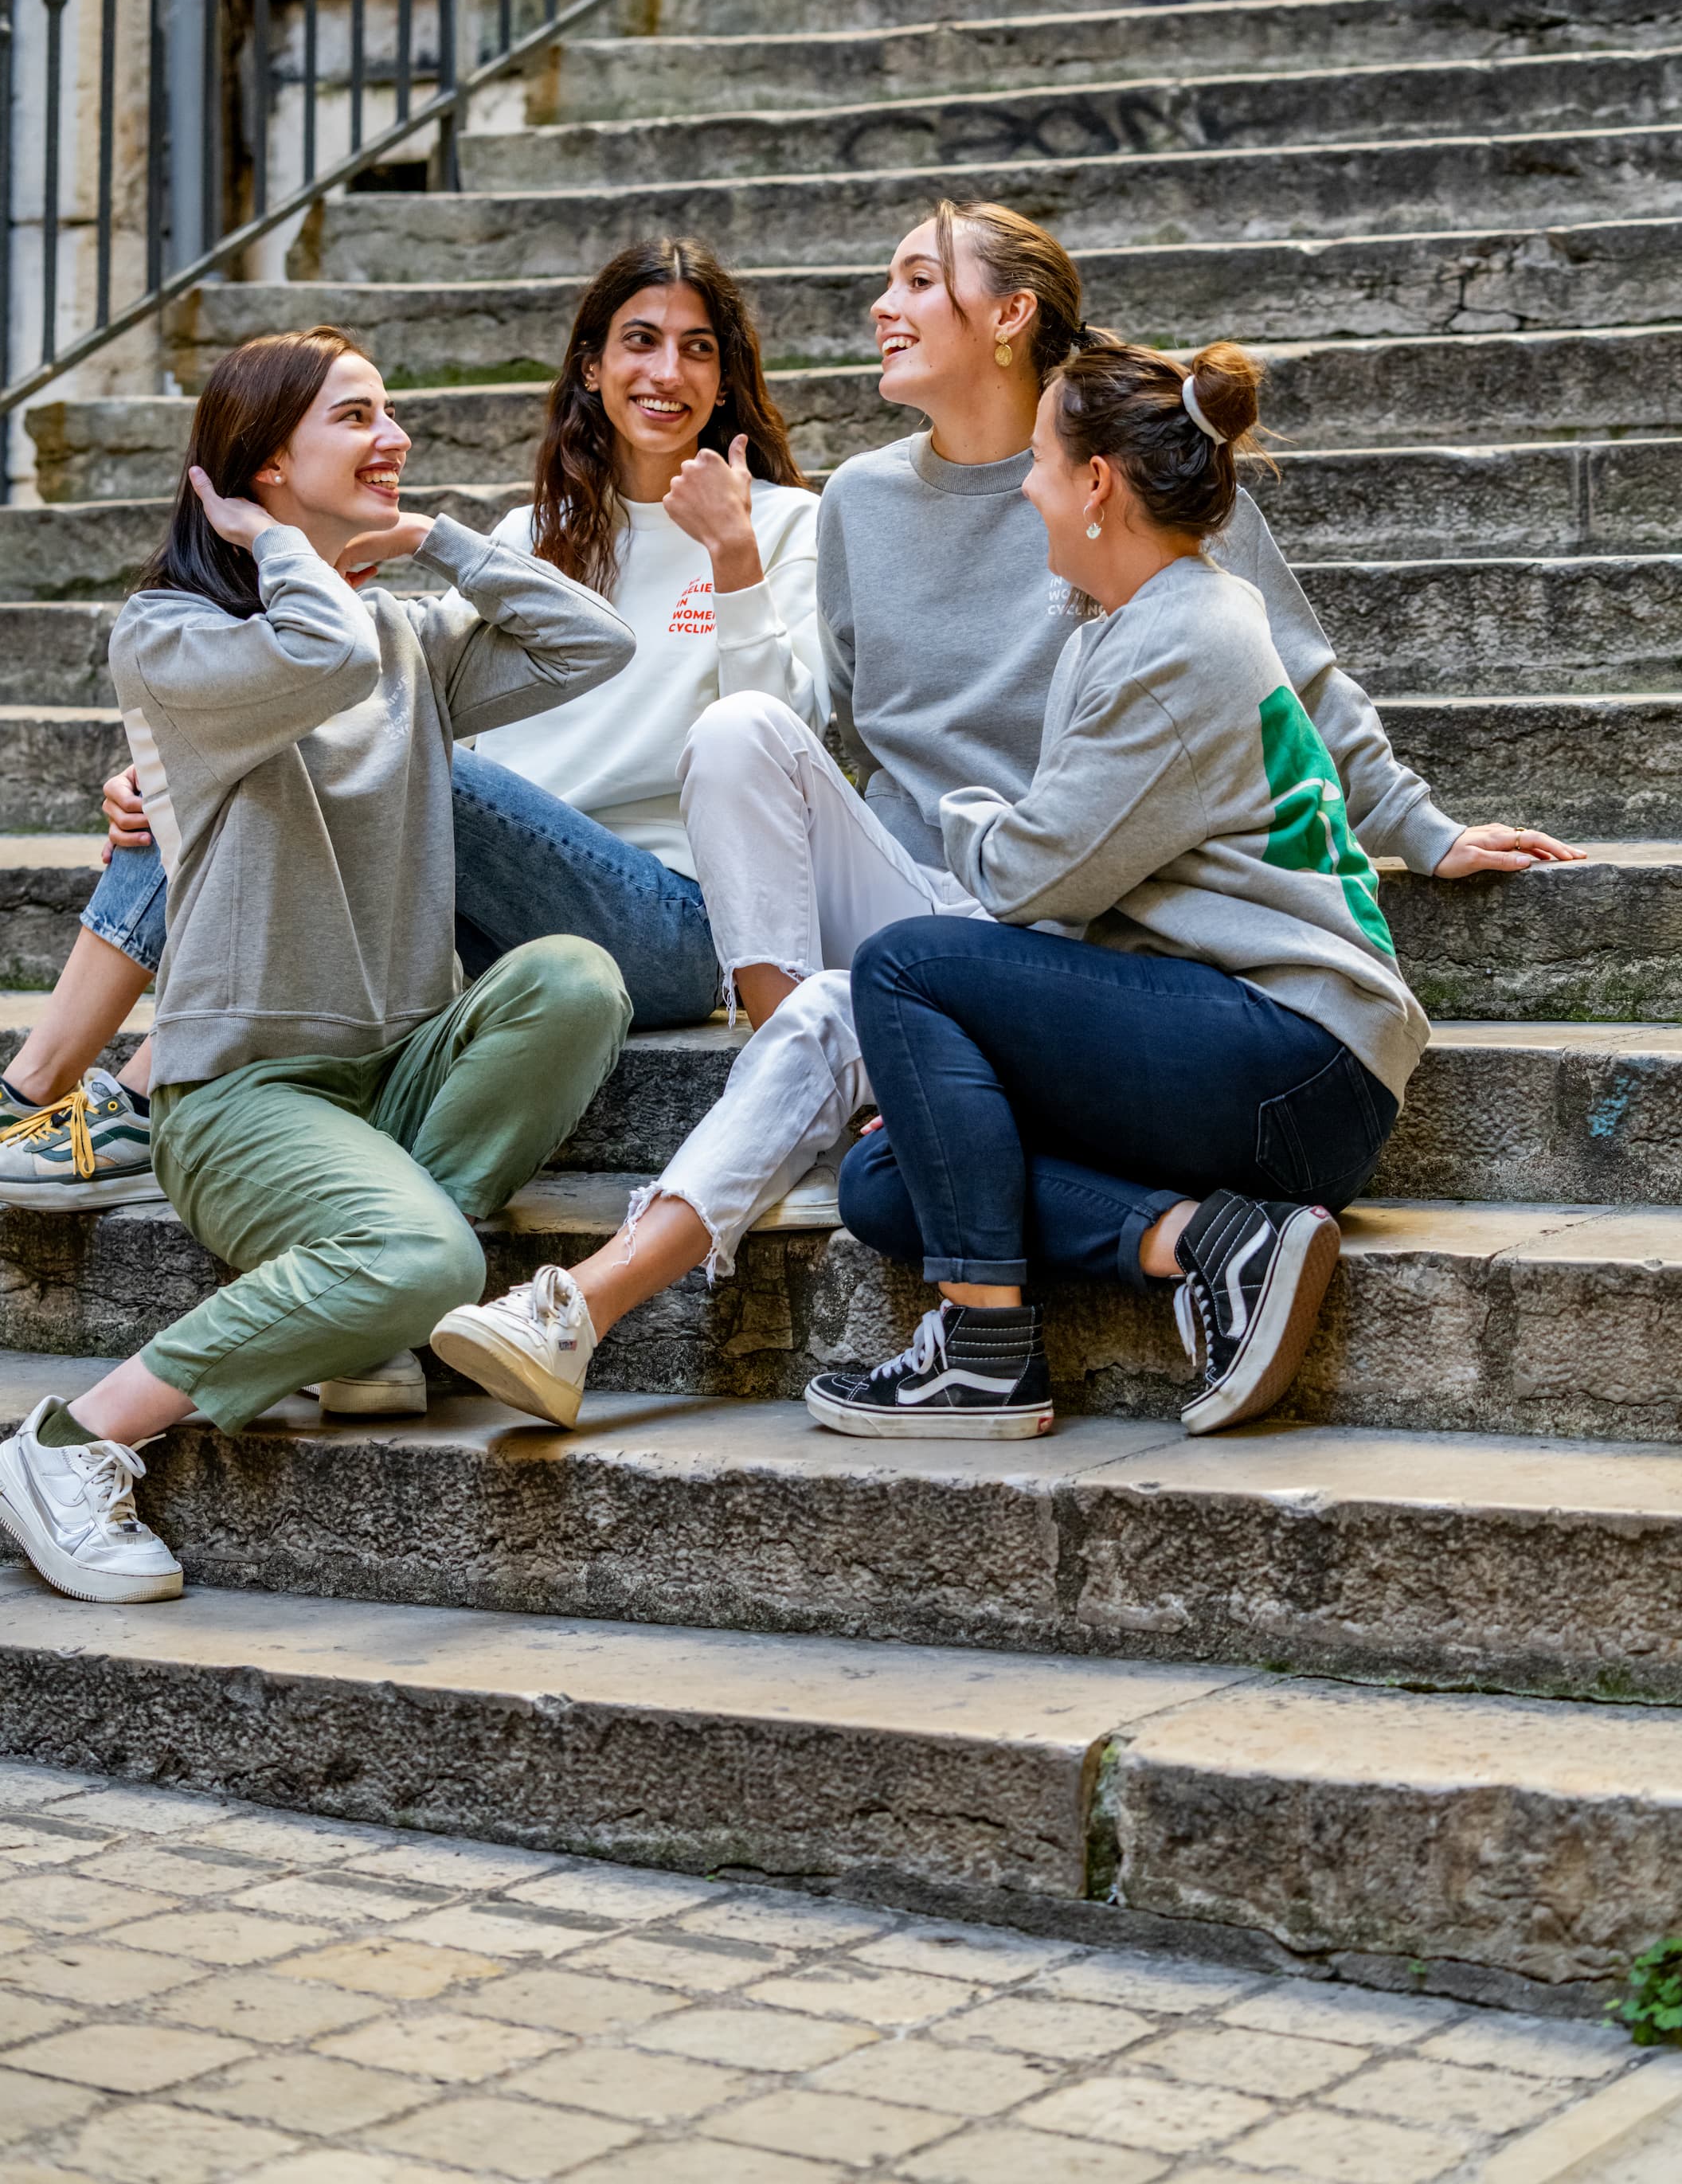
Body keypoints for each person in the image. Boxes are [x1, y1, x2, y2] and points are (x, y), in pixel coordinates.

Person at [423, 201, 1578, 1430]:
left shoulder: (1135, 481)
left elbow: (1296, 684)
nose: (881, 306)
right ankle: (1164, 1233)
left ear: (1010, 317)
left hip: (1063, 919)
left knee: (882, 988)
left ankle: (634, 1301)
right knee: (876, 1141)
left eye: (918, 279)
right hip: (967, 914)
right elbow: (847, 734)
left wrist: (1415, 823)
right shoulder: (874, 504)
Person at [0, 328, 635, 1603]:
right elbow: (322, 654)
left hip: (390, 1070)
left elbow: (593, 647)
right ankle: (71, 1440)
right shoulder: (173, 639)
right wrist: (271, 545)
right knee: (437, 1264)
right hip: (241, 1098)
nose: (394, 436)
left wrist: (438, 542)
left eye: (389, 409)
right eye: (357, 416)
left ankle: (369, 1318)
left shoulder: (402, 631)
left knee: (573, 979)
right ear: (264, 462)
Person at [0, 238, 823, 1216]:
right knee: (275, 756)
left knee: (323, 732)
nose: (668, 372)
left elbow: (788, 737)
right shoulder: (531, 533)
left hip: (669, 917)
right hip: (474, 913)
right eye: (640, 341)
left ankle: (87, 1088)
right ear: (592, 368)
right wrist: (189, 770)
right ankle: (80, 1084)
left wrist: (731, 557)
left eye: (698, 349)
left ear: (727, 379)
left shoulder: (781, 523)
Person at [819, 339, 1425, 1440]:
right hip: (1248, 1055)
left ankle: (984, 1357)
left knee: (902, 965)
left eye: (1041, 464)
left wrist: (948, 810)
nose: (1029, 490)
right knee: (887, 1177)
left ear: (1097, 483)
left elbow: (1026, 876)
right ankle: (1207, 1241)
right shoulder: (1139, 619)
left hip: (1296, 1053)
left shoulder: (1180, 641)